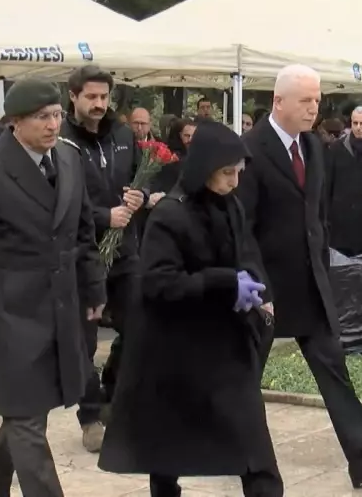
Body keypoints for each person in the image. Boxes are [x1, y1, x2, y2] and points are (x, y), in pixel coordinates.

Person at [239, 64, 362, 488]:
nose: (312, 108)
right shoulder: (250, 149)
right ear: (278, 102)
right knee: (243, 376)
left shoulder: (315, 147)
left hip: (310, 283)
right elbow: (241, 225)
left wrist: (324, 257)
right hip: (265, 287)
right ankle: (230, 451)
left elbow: (318, 212)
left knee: (332, 365)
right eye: (305, 100)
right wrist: (254, 284)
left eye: (316, 100)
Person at [100, 120, 282, 497]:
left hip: (224, 345)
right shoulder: (170, 214)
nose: (235, 181)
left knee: (253, 441)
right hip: (175, 349)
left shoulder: (231, 205)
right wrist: (223, 282)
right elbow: (159, 282)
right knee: (168, 447)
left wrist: (258, 288)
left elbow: (247, 251)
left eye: (239, 172)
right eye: (227, 173)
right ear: (204, 168)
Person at [0, 80, 105, 497]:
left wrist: (94, 289)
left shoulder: (69, 158)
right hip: (10, 313)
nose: (53, 125)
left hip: (61, 306)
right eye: (41, 117)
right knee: (25, 415)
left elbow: (83, 231)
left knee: (30, 409)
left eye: (56, 115)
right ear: (15, 122)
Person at [60, 65, 145, 452]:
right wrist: (101, 216)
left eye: (104, 97)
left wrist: (141, 197)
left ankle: (111, 392)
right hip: (81, 254)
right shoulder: (61, 141)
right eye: (90, 97)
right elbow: (58, 200)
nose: (98, 104)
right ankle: (90, 414)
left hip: (125, 251)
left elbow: (142, 177)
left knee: (139, 327)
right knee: (85, 340)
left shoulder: (123, 135)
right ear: (73, 96)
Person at [323, 106, 362, 256]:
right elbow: (327, 185)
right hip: (341, 224)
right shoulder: (336, 148)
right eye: (355, 123)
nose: (358, 127)